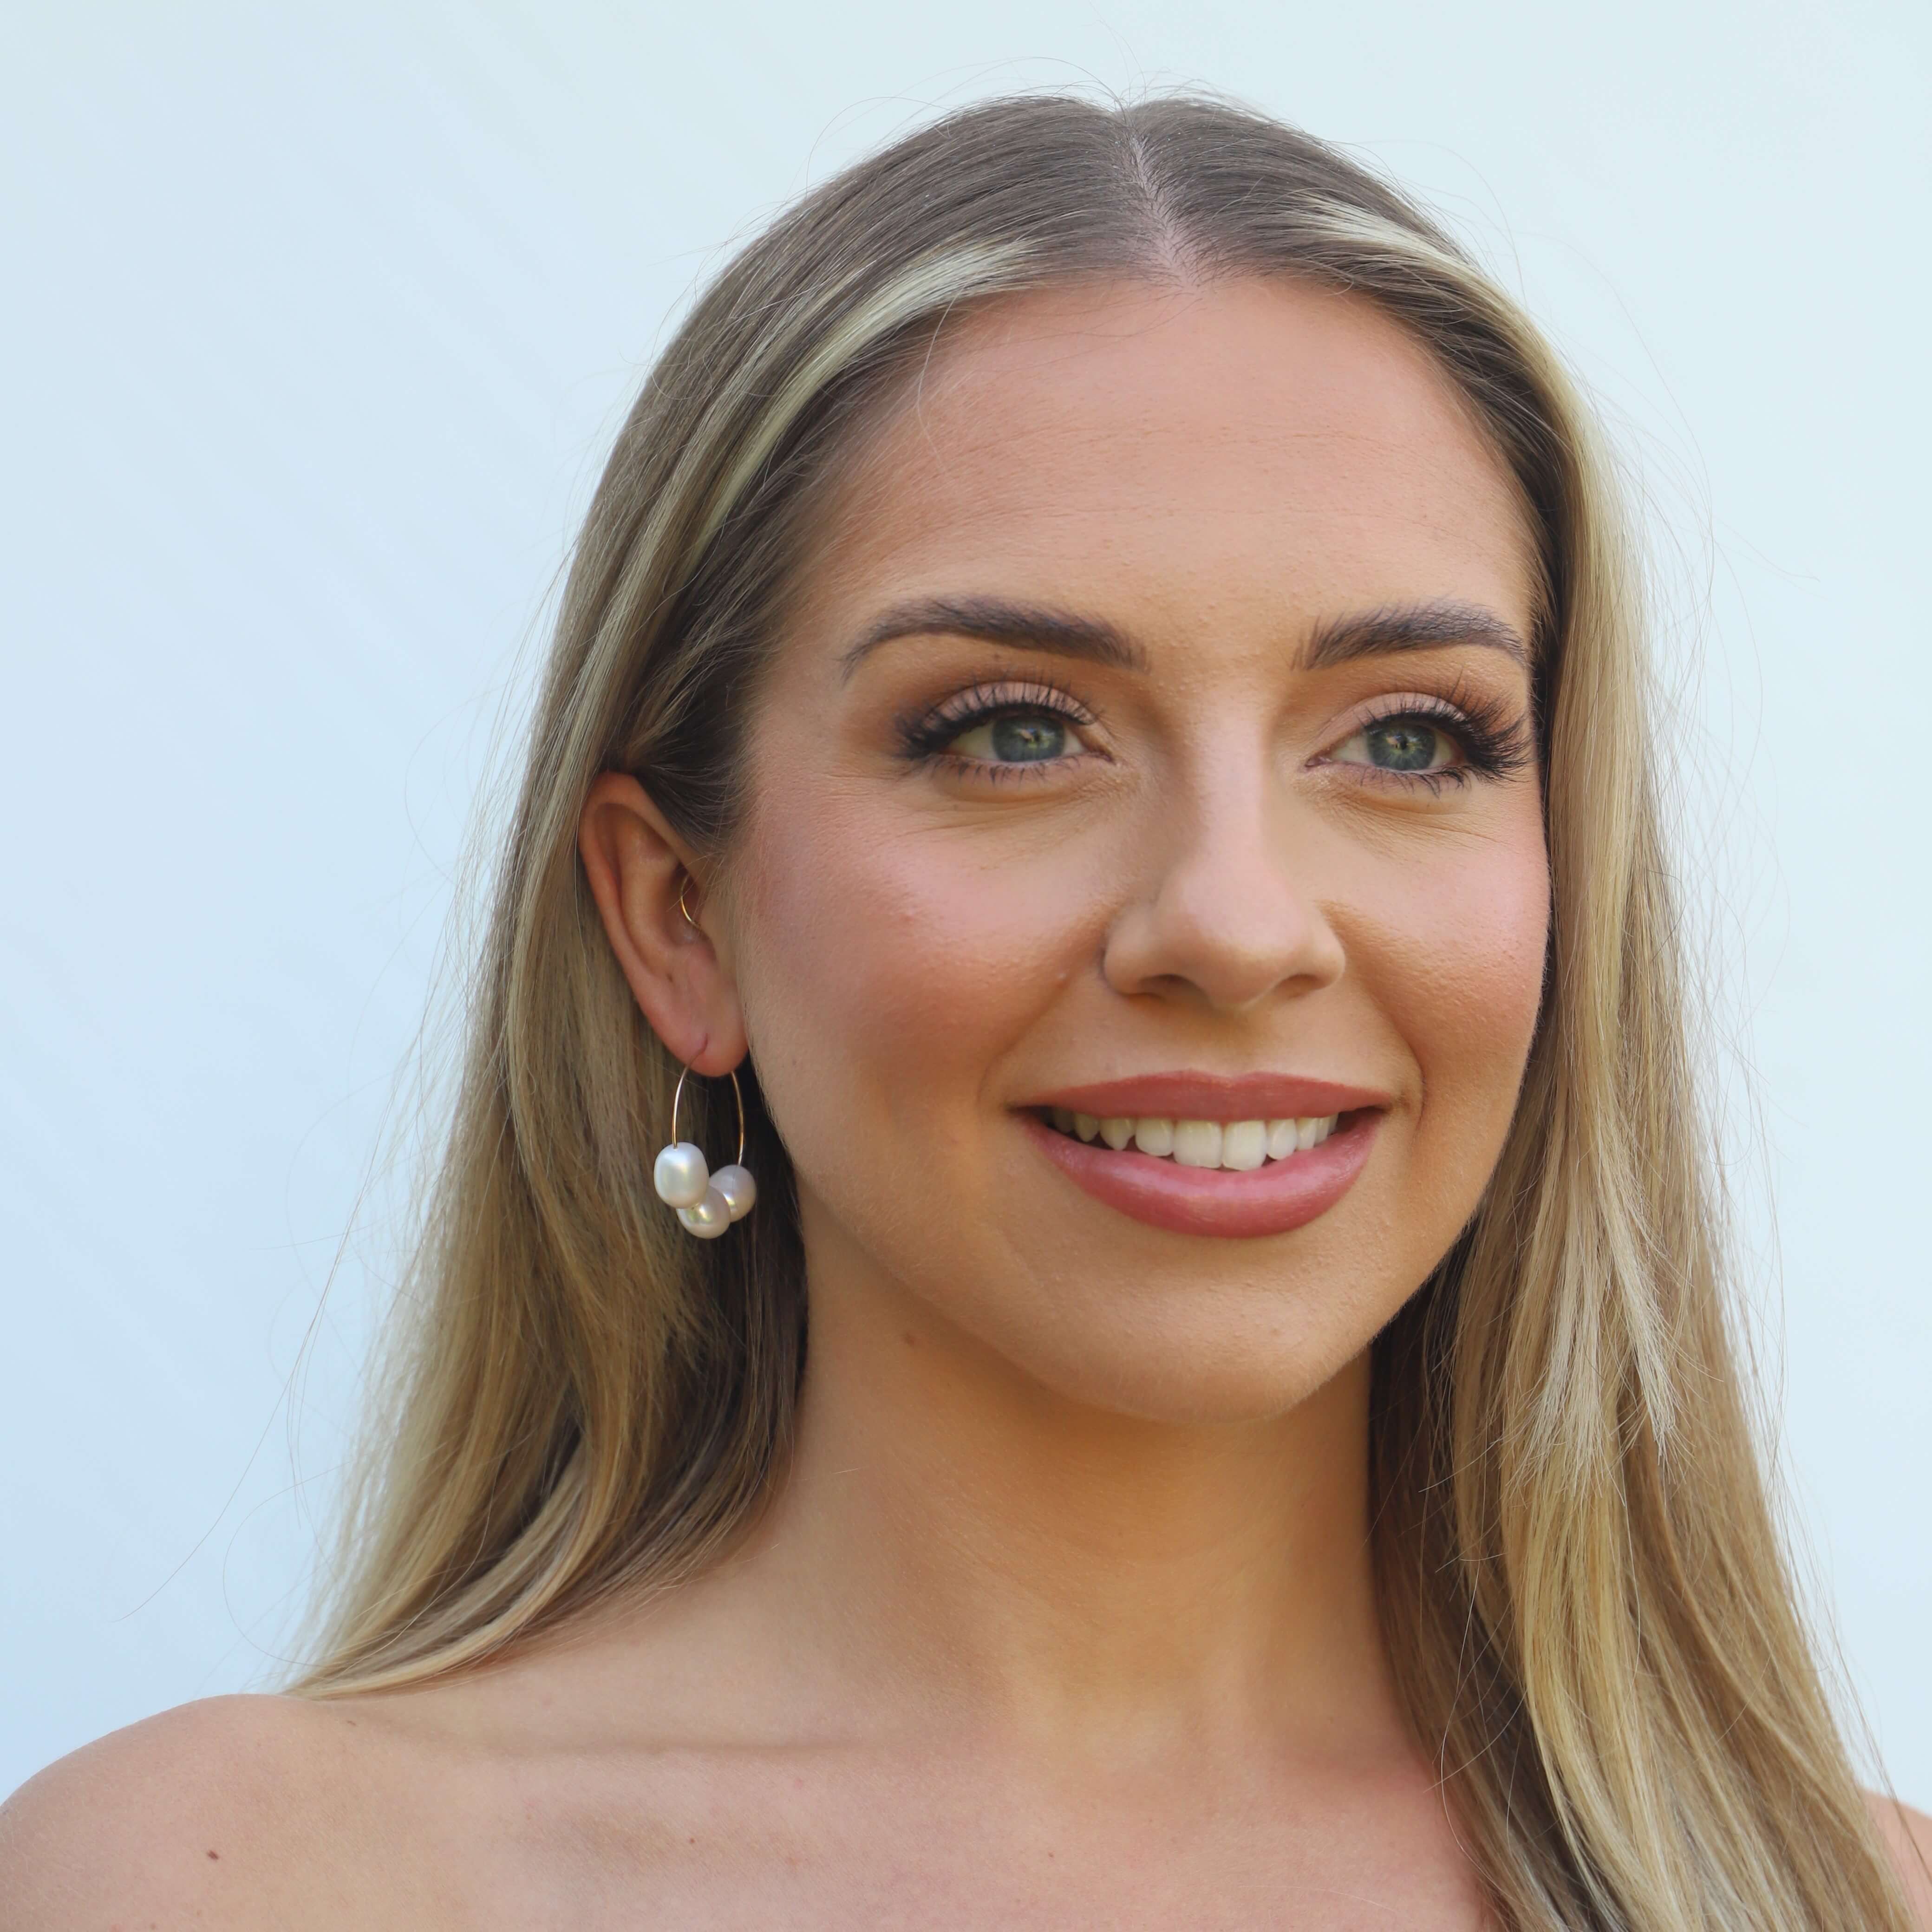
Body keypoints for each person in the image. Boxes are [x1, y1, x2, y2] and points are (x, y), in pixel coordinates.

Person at [2, 91, 1926, 1930]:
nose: (1235, 922)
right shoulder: (213, 1880)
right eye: (1014, 731)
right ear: (678, 916)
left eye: (1407, 737)